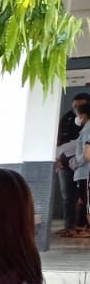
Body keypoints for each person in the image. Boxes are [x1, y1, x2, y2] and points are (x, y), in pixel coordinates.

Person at [54, 96, 90, 238]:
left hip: (82, 167)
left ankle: (83, 227)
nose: (76, 111)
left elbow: (86, 152)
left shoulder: (87, 128)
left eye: (79, 108)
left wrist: (75, 161)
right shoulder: (67, 118)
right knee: (69, 196)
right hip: (72, 165)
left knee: (84, 200)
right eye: (75, 107)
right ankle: (72, 226)